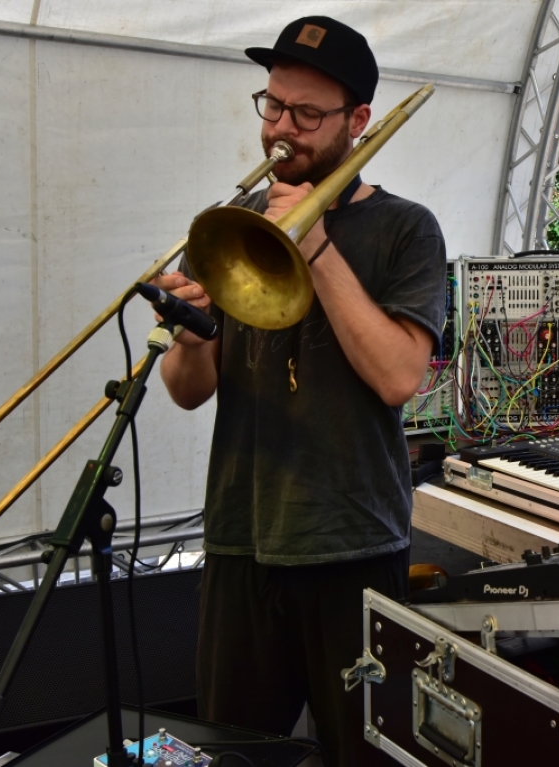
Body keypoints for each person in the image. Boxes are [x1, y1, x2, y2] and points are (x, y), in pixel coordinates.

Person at [152, 16, 447, 766]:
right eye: (273, 106)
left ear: (357, 121)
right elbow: (186, 391)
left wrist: (312, 244)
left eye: (307, 115)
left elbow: (398, 376)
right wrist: (192, 331)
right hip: (241, 538)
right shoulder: (235, 223)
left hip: (352, 543)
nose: (282, 130)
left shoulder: (405, 230)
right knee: (236, 751)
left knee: (360, 750)